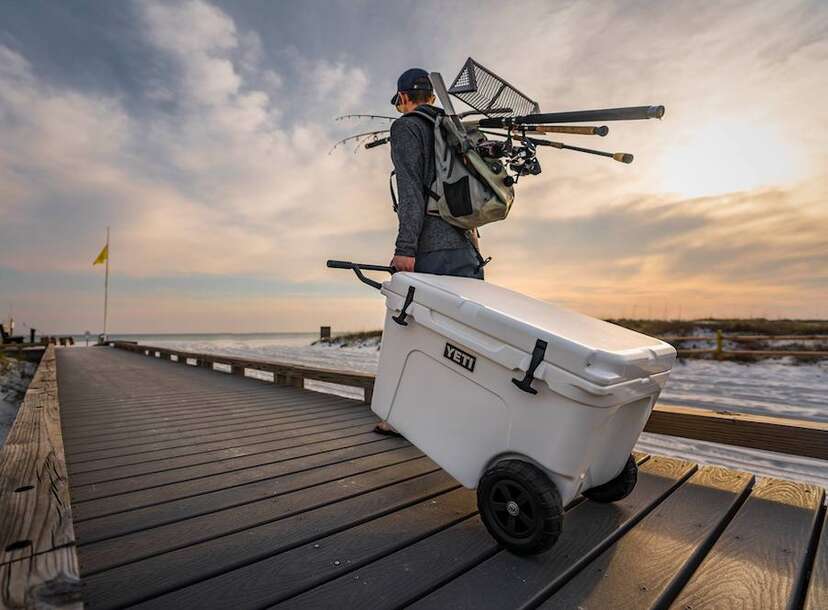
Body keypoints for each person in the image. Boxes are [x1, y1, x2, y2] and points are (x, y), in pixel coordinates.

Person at [375, 68, 486, 437]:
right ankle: (458, 420)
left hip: (431, 249)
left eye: (398, 101)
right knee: (464, 338)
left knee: (415, 333)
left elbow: (410, 191)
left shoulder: (406, 127)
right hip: (467, 246)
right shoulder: (454, 128)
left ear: (404, 97)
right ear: (432, 97)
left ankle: (404, 417)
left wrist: (405, 249)